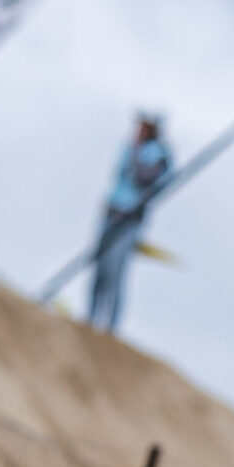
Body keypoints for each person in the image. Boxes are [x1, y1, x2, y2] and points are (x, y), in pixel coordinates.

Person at [84, 111, 170, 334]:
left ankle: (110, 329)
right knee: (100, 269)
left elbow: (147, 179)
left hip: (129, 222)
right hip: (111, 214)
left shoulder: (158, 155)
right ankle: (88, 321)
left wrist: (137, 155)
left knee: (115, 272)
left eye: (143, 127)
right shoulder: (128, 148)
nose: (137, 130)